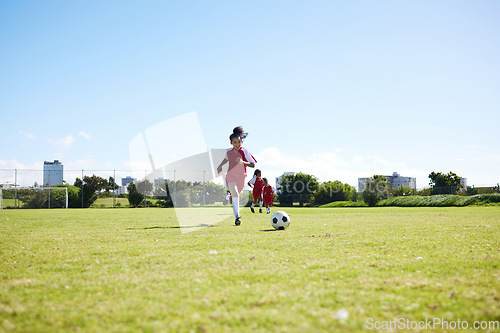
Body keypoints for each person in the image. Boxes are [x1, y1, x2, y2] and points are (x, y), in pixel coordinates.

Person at [217, 126, 256, 225]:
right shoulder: (228, 151)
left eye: (239, 142)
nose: (237, 144)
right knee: (236, 194)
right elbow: (226, 158)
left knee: (234, 196)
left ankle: (227, 196)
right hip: (230, 176)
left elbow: (253, 164)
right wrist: (220, 165)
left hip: (241, 177)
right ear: (231, 143)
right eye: (235, 142)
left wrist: (243, 162)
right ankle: (237, 217)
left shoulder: (244, 151)